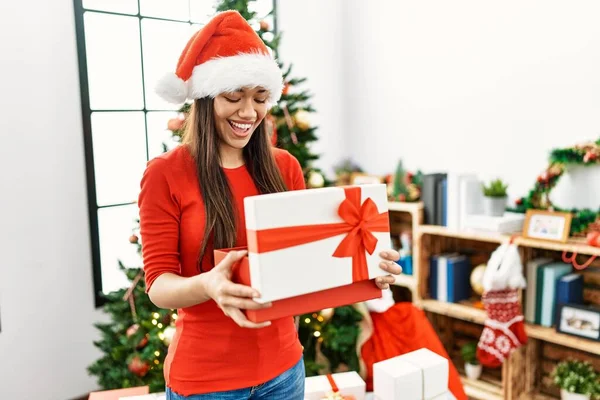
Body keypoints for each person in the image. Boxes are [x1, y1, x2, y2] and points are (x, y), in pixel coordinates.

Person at [139, 10, 402, 400]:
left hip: (284, 372)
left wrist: (365, 271)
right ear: (205, 98)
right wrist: (208, 285)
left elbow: (309, 263)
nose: (249, 113)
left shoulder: (284, 167)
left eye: (260, 99)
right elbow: (158, 284)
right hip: (207, 383)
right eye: (234, 97)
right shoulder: (166, 173)